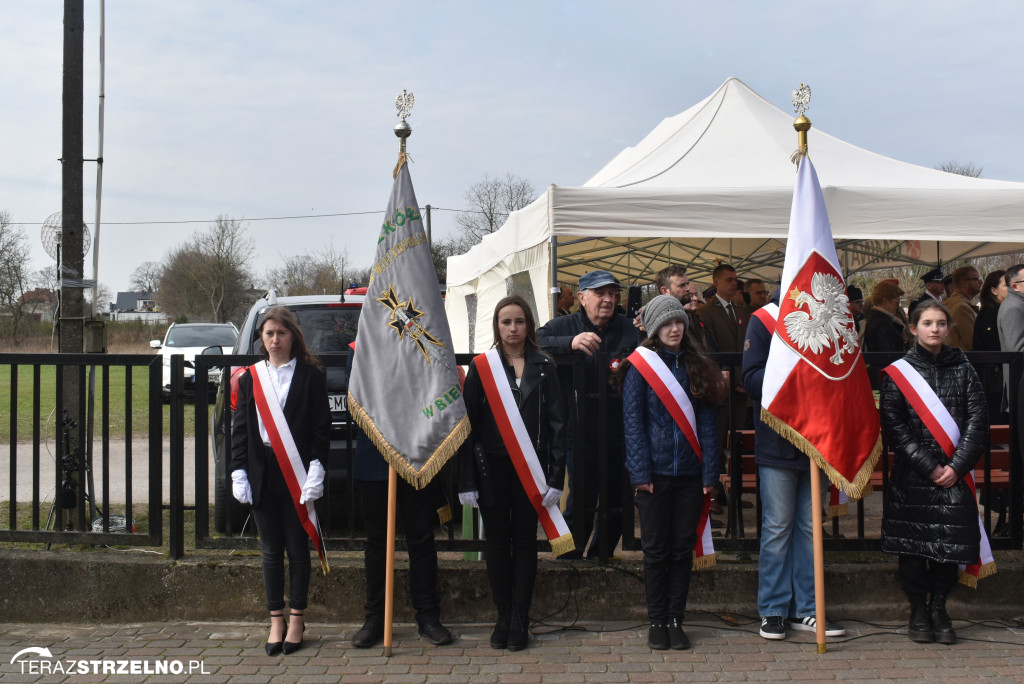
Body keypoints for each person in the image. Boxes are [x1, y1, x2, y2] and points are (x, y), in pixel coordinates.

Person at [459, 295, 566, 651]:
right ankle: (502, 614)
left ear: (528, 325)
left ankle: (521, 616)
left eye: (519, 321)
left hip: (531, 469)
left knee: (524, 542)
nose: (513, 328)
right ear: (497, 326)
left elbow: (557, 426)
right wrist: (467, 479)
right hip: (492, 468)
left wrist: (555, 477)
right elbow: (468, 426)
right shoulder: (482, 367)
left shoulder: (546, 366)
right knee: (495, 542)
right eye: (506, 322)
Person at [880, 299, 987, 645]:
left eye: (941, 323)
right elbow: (895, 428)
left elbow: (977, 423)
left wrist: (956, 467)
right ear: (913, 329)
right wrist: (930, 467)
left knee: (949, 546)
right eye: (927, 323)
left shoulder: (964, 368)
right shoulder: (898, 373)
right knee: (913, 549)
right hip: (914, 477)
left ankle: (940, 607)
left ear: (948, 328)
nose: (935, 329)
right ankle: (917, 609)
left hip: (954, 477)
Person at [619, 295, 723, 651]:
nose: (674, 329)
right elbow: (633, 424)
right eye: (666, 324)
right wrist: (640, 472)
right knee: (656, 551)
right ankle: (657, 620)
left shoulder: (699, 365)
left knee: (682, 550)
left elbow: (709, 426)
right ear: (653, 329)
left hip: (691, 476)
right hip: (654, 476)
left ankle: (676, 619)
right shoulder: (640, 367)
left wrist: (710, 474)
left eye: (678, 322)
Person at [742, 290, 846, 641]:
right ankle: (772, 609)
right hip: (777, 441)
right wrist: (794, 369)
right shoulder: (763, 320)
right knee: (776, 528)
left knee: (810, 528)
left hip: (817, 441)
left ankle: (808, 609)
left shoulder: (828, 318)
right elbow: (751, 379)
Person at [230, 306, 330, 656]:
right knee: (271, 551)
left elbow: (321, 429)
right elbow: (240, 430)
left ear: (293, 336)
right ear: (262, 337)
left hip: (297, 472)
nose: (275, 339)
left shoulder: (311, 377)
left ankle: (298, 618)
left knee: (296, 548)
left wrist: (317, 468)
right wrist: (238, 470)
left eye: (281, 333)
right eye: (269, 333)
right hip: (262, 472)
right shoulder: (249, 378)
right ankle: (276, 619)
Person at [347, 344, 453, 649]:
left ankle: (428, 617)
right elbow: (356, 396)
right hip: (374, 455)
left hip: (417, 452)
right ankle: (375, 619)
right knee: (377, 542)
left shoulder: (420, 338)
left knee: (421, 539)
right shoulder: (361, 344)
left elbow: (434, 386)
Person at [537, 270, 641, 559]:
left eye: (612, 293)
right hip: (578, 430)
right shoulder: (564, 324)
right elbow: (534, 341)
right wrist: (569, 343)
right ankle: (569, 558)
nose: (607, 299)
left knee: (617, 502)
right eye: (599, 293)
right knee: (580, 500)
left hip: (619, 431)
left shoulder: (628, 327)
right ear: (582, 298)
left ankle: (601, 557)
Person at [697, 264, 749, 512]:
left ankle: (735, 491)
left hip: (740, 388)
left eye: (736, 279)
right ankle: (715, 493)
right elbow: (709, 351)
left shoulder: (742, 310)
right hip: (719, 387)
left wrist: (742, 379)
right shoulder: (706, 313)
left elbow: (747, 347)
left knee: (737, 440)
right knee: (716, 440)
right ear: (716, 281)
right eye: (729, 280)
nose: (734, 284)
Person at [973, 270, 1007, 423]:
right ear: (994, 290)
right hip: (993, 375)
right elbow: (992, 344)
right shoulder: (990, 312)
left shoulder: (998, 310)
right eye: (1006, 285)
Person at [862, 280, 909, 389]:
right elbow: (888, 355)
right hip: (885, 378)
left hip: (880, 376)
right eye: (896, 302)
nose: (898, 306)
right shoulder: (882, 323)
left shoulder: (875, 319)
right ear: (885, 301)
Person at [943, 266, 982, 351]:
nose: (981, 282)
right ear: (965, 283)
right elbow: (972, 342)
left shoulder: (955, 303)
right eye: (976, 279)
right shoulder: (961, 307)